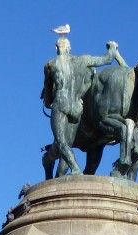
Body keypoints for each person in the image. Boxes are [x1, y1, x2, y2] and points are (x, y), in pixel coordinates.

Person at [42, 37, 121, 176]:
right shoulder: (82, 60)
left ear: (56, 48)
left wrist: (49, 103)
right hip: (76, 108)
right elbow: (107, 59)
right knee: (67, 142)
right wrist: (112, 49)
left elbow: (48, 96)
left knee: (62, 142)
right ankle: (70, 168)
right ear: (69, 48)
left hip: (60, 104)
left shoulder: (50, 64)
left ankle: (75, 169)